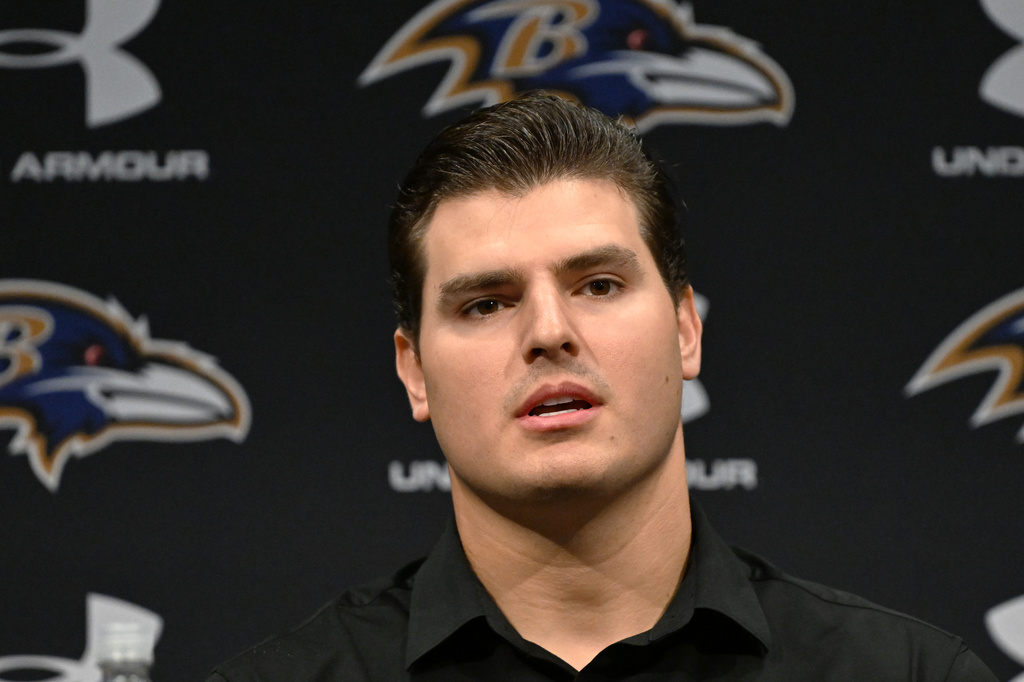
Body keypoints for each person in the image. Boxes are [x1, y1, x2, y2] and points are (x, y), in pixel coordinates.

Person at [208, 92, 997, 681]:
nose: (549, 331)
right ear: (414, 372)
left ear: (686, 330)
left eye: (598, 285)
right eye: (486, 303)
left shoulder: (909, 675)